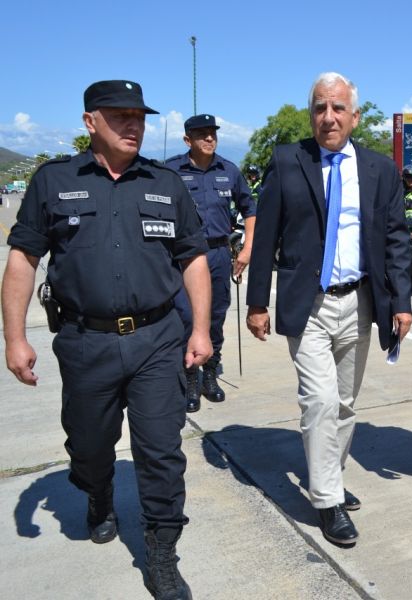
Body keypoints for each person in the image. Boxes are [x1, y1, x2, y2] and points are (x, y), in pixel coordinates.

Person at [1, 80, 211, 600]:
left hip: (157, 340)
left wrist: (201, 330)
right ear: (90, 121)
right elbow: (23, 258)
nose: (133, 125)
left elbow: (193, 258)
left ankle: (162, 553)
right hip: (85, 341)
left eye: (138, 117)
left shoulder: (165, 183)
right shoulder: (54, 181)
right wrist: (14, 338)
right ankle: (97, 493)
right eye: (120, 116)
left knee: (161, 451)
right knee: (90, 445)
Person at [245, 72, 412, 545]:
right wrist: (257, 302)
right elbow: (266, 237)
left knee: (344, 404)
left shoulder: (380, 170)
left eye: (338, 108)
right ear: (311, 115)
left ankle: (330, 479)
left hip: (360, 303)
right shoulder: (287, 161)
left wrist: (402, 301)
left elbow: (396, 240)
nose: (329, 117)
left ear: (354, 117)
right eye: (320, 107)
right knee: (318, 402)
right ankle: (327, 501)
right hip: (309, 306)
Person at [165, 114, 256, 412]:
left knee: (215, 317)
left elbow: (250, 209)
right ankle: (191, 376)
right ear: (187, 139)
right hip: (183, 257)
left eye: (212, 133)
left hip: (217, 254)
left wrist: (247, 249)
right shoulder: (171, 171)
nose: (209, 138)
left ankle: (210, 374)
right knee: (186, 316)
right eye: (201, 134)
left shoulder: (229, 170)